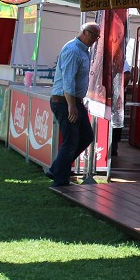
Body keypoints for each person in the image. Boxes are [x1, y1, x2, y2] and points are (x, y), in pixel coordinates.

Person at [46, 22, 101, 187]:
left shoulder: (84, 51)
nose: (95, 39)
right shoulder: (73, 50)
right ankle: (60, 180)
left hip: (74, 101)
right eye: (93, 35)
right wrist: (71, 106)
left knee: (86, 136)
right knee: (71, 140)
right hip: (64, 101)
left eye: (97, 36)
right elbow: (68, 81)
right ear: (84, 32)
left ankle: (57, 168)